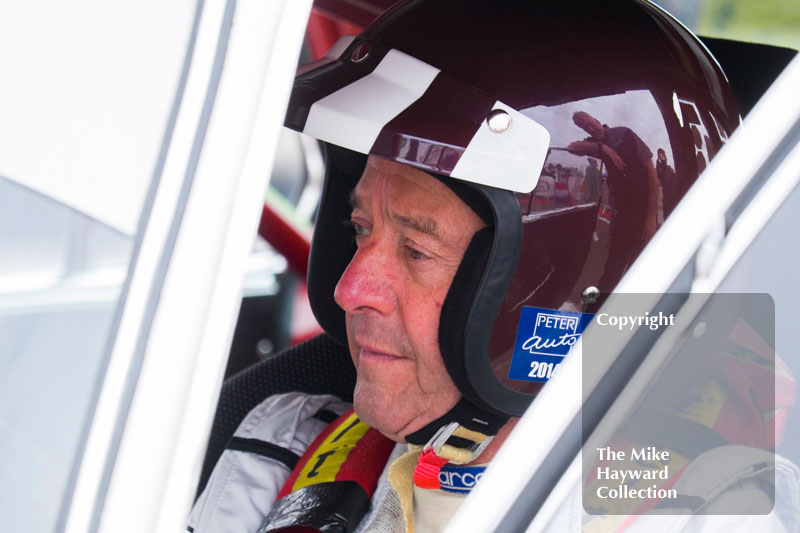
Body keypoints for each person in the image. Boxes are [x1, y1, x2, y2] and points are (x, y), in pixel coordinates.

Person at [188, 1, 743, 531]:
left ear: (560, 286)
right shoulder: (279, 452)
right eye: (360, 230)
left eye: (416, 250)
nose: (350, 288)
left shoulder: (714, 513)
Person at [656, 148, 679, 219]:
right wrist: (662, 160)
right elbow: (660, 174)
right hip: (668, 198)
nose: (665, 157)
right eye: (662, 155)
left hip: (674, 197)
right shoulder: (660, 167)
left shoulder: (669, 168)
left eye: (664, 155)